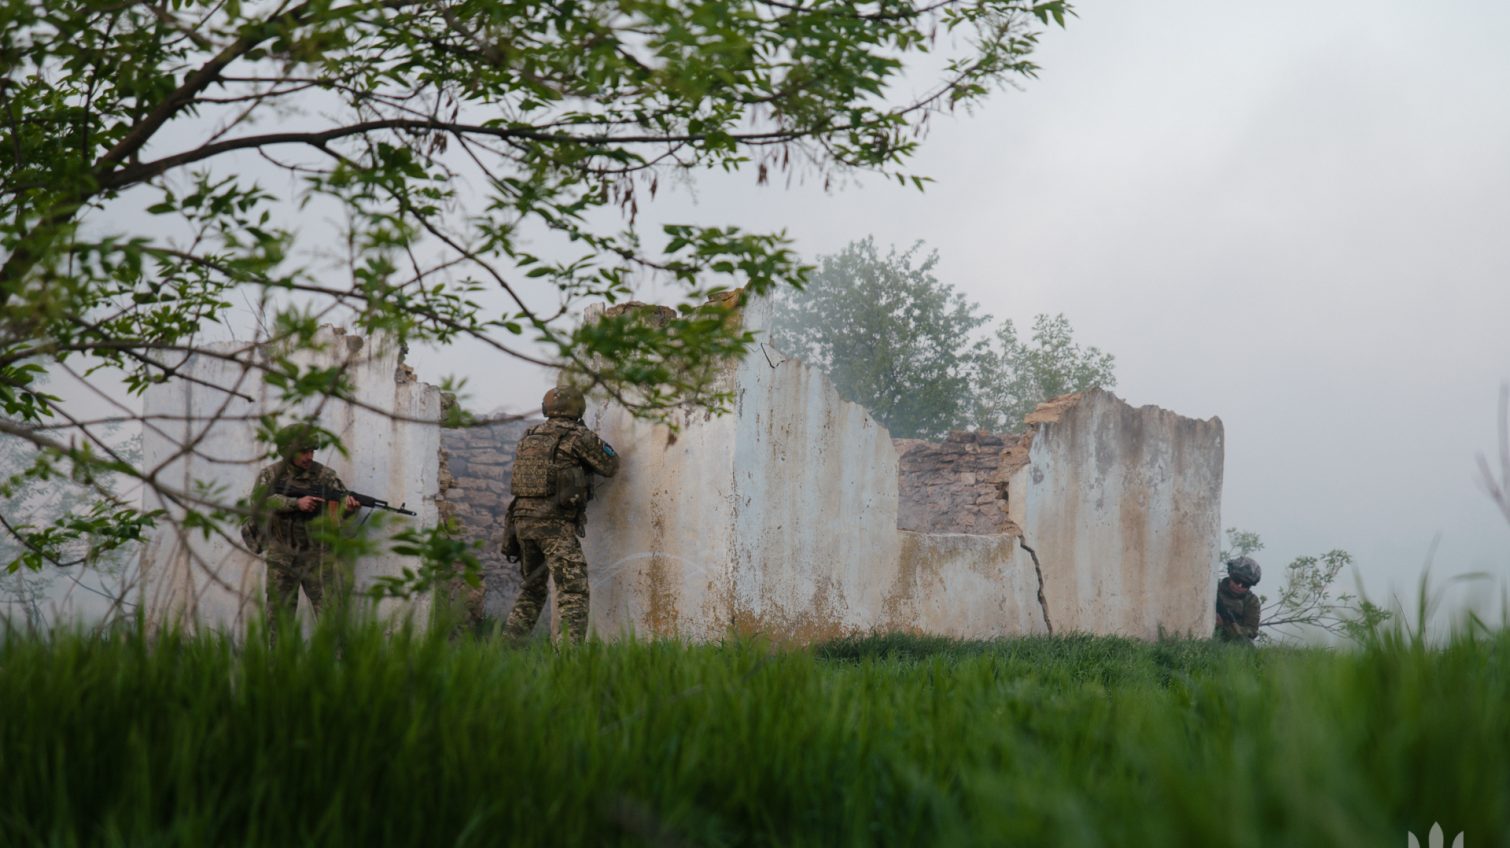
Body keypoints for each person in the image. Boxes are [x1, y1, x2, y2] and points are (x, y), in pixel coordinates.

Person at [501, 385, 619, 643]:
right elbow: (610, 465)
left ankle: (507, 648)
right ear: (578, 408)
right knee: (572, 591)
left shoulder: (529, 435)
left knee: (531, 590)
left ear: (546, 409)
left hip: (522, 523)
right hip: (554, 525)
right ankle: (568, 660)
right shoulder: (577, 436)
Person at [248, 424, 360, 630]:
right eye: (303, 451)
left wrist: (350, 508)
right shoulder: (271, 475)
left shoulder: (326, 476)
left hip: (317, 557)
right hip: (281, 556)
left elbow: (339, 514)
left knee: (331, 619)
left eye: (312, 451)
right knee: (279, 622)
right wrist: (295, 504)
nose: (309, 456)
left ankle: (334, 662)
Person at [1214, 556, 1262, 644]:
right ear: (1230, 576)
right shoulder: (1214, 589)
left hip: (1230, 641)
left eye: (1245, 584)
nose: (1239, 586)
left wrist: (1225, 626)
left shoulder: (1251, 601)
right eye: (1237, 580)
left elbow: (1252, 631)